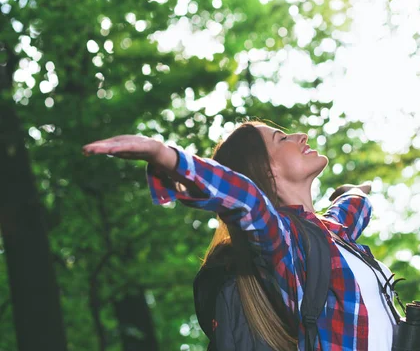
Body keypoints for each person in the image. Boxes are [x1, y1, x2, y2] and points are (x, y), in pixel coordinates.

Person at [82, 121, 401, 351]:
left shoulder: (331, 232)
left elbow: (355, 207)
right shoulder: (285, 243)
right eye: (282, 138)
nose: (300, 135)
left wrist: (355, 191)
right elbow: (246, 199)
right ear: (267, 170)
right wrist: (166, 156)